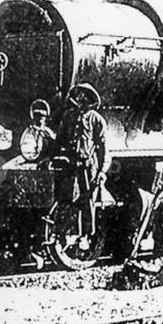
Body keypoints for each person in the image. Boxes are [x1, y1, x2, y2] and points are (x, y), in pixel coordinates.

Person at [54, 83, 109, 237]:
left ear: (90, 100)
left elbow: (103, 148)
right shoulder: (68, 117)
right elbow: (59, 140)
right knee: (68, 199)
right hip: (71, 165)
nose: (81, 99)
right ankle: (66, 232)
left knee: (87, 201)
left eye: (85, 97)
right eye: (79, 96)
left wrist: (102, 171)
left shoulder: (96, 120)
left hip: (88, 167)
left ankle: (85, 235)